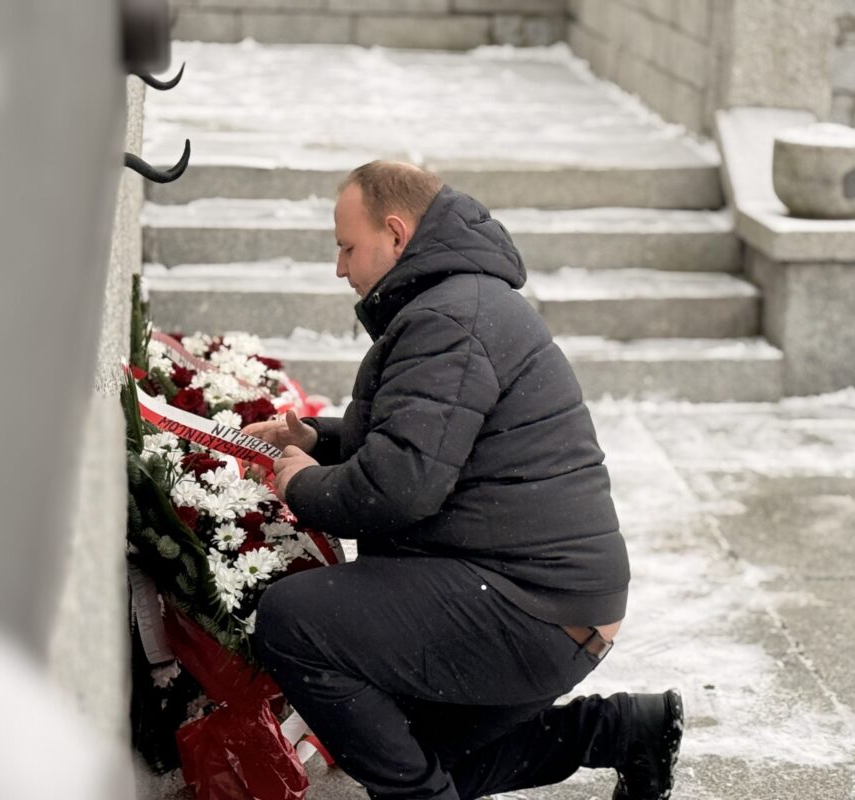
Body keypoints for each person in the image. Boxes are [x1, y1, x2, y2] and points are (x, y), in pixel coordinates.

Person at [245, 161, 683, 800]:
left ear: (396, 234)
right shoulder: (457, 301)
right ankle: (622, 731)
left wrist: (300, 485)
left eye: (347, 247)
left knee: (294, 619)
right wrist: (320, 440)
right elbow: (433, 436)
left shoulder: (449, 317)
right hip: (554, 600)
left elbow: (400, 486)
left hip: (531, 606)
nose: (340, 268)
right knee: (416, 753)